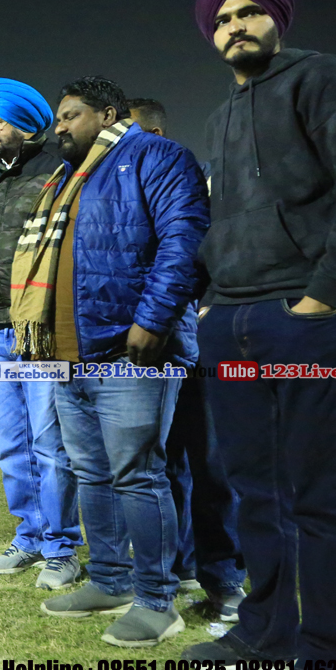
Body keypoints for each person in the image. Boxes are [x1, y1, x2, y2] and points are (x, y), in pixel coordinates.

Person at [182, 0, 336, 670]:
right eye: (222, 19)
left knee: (321, 494)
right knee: (254, 491)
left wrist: (324, 291)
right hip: (232, 322)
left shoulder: (324, 78)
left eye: (248, 12)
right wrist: (209, 300)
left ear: (275, 16)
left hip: (302, 317)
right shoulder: (222, 116)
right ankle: (266, 631)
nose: (235, 27)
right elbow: (223, 221)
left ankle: (327, 654)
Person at [16, 77, 208, 647]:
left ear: (107, 114)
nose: (59, 126)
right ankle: (109, 579)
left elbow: (183, 240)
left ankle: (157, 600)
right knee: (92, 474)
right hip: (68, 356)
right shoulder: (68, 177)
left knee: (138, 475)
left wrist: (154, 319)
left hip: (130, 350)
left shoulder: (157, 156)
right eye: (57, 118)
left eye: (70, 115)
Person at [126, 97, 246, 619]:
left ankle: (225, 577)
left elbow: (222, 251)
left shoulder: (199, 181)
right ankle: (176, 567)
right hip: (158, 344)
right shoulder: (126, 188)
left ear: (155, 135)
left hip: (203, 339)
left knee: (212, 462)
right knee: (164, 462)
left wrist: (210, 305)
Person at [0, 80, 82, 589]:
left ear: (26, 122)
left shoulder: (58, 169)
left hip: (39, 327)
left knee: (50, 443)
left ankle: (62, 547)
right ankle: (28, 536)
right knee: (10, 443)